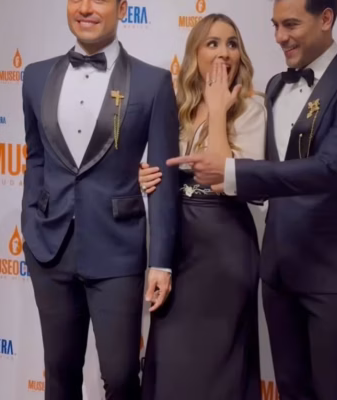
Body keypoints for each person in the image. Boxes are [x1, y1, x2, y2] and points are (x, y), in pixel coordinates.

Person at [167, 0, 337, 399]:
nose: (279, 37)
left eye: (290, 25)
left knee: (335, 392)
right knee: (291, 391)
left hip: (333, 273)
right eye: (275, 26)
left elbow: (330, 168)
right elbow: (268, 178)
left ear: (326, 19)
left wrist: (233, 173)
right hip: (277, 269)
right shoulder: (274, 86)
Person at [21, 0, 179, 399]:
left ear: (122, 8)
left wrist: (161, 261)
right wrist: (31, 221)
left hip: (118, 248)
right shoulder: (35, 76)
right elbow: (35, 158)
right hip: (50, 248)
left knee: (122, 377)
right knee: (59, 375)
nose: (86, 8)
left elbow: (164, 178)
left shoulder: (152, 82)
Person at [139, 14, 266, 400]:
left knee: (218, 367)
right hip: (177, 245)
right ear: (196, 51)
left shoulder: (251, 107)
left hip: (225, 247)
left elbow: (225, 179)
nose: (224, 52)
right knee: (172, 364)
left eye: (232, 43)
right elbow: (165, 174)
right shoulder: (176, 107)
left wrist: (218, 110)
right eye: (213, 43)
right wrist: (146, 178)